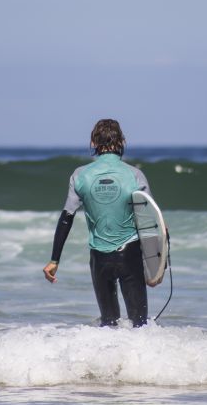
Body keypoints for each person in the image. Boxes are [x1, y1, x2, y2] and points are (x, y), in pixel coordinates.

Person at [43, 119, 155, 327]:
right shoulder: (135, 175)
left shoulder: (80, 176)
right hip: (130, 255)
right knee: (141, 326)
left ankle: (107, 360)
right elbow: (152, 222)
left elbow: (66, 218)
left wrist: (54, 260)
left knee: (108, 324)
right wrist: (156, 267)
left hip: (99, 259)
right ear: (123, 140)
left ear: (93, 143)